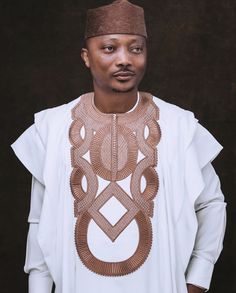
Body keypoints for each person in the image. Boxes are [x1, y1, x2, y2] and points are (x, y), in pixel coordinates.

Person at [11, 0, 226, 292]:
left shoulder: (179, 126)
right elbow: (39, 220)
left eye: (136, 48)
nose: (124, 59)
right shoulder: (53, 127)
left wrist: (198, 278)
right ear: (86, 57)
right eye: (110, 48)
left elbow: (211, 204)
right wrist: (38, 287)